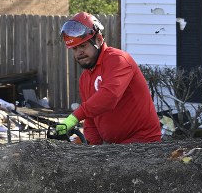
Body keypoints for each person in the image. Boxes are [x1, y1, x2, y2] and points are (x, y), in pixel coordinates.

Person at [55, 12, 162, 144]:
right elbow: (91, 120)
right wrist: (87, 144)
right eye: (75, 49)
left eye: (83, 46)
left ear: (99, 40)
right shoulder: (85, 78)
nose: (79, 53)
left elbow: (109, 96)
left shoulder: (118, 59)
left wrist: (74, 117)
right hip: (116, 148)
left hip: (144, 143)